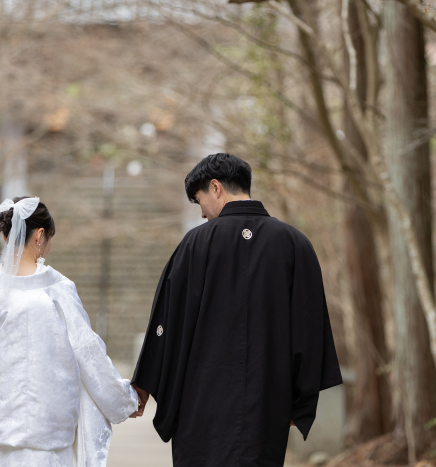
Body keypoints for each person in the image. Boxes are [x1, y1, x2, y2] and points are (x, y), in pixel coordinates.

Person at [131, 153, 343, 467]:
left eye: (199, 200)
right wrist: (299, 400)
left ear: (215, 187)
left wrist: (144, 384)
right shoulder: (295, 244)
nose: (202, 213)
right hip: (267, 403)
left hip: (201, 404)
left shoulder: (194, 245)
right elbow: (309, 328)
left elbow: (167, 323)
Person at [0, 197, 139, 467]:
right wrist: (124, 398)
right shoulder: (58, 289)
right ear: (40, 236)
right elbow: (89, 354)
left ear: (4, 234)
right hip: (50, 437)